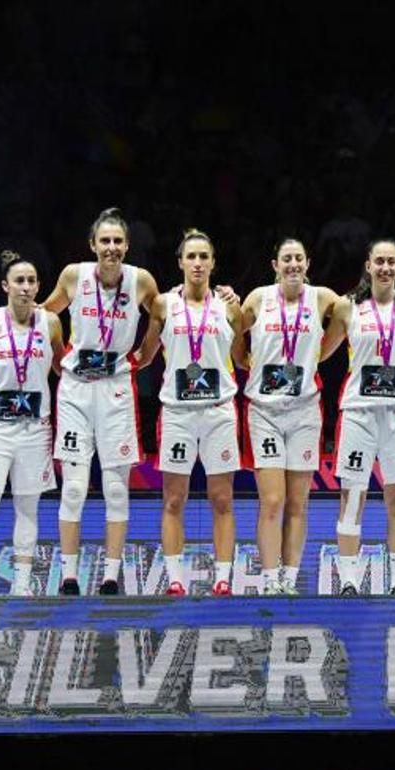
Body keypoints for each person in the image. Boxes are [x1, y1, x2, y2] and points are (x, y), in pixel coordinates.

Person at [41, 207, 161, 596]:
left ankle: (111, 576)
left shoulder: (140, 280)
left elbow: (163, 315)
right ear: (92, 244)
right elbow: (45, 316)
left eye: (117, 241)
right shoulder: (73, 275)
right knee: (73, 488)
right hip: (76, 390)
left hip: (117, 389)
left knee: (115, 488)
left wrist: (145, 354)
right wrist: (59, 355)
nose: (111, 248)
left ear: (127, 245)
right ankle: (69, 575)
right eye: (104, 241)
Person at [137, 229, 243, 596]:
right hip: (178, 413)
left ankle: (224, 577)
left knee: (222, 498)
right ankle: (176, 578)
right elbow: (146, 356)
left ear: (213, 263)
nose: (197, 263)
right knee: (173, 499)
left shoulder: (229, 307)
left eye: (204, 256)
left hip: (218, 412)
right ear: (180, 262)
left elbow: (244, 358)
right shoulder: (164, 305)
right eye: (191, 256)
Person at [234, 239, 342, 595]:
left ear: (308, 263)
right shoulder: (258, 299)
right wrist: (247, 363)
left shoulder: (323, 298)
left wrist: (316, 358)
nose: (293, 264)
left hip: (305, 411)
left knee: (299, 502)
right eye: (286, 259)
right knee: (273, 500)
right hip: (264, 411)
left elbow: (357, 311)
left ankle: (290, 580)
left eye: (299, 258)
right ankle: (268, 581)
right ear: (275, 265)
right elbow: (236, 339)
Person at [323, 239, 395, 595]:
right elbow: (320, 353)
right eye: (378, 261)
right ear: (368, 265)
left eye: (391, 262)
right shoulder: (347, 308)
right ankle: (349, 580)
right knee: (353, 495)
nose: (385, 267)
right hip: (358, 413)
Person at [0, 252, 65, 596]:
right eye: (18, 281)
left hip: (35, 428)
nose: (25, 287)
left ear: (39, 286)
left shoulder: (50, 322)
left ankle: (21, 584)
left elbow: (61, 367)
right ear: (5, 285)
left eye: (31, 281)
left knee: (27, 505)